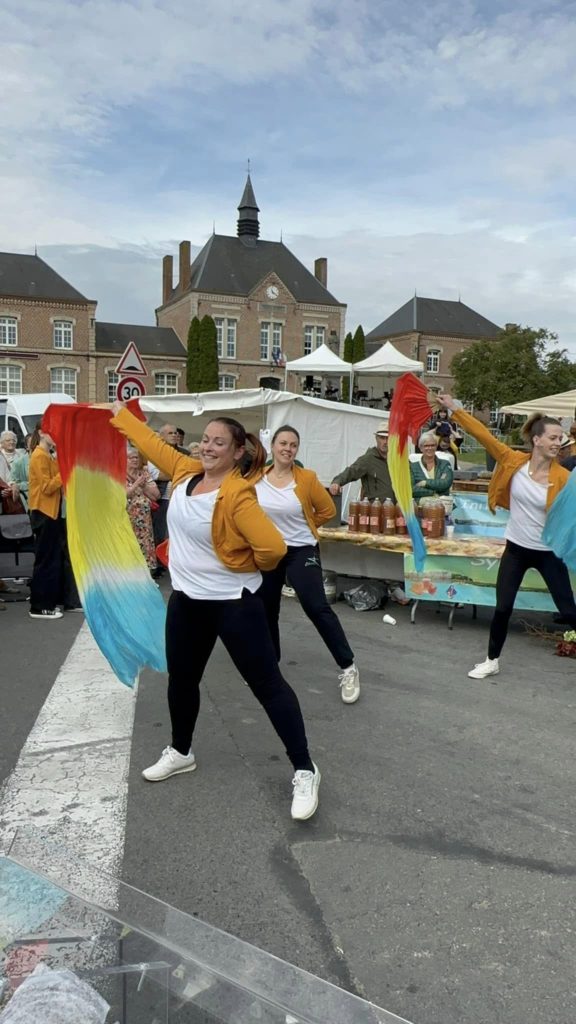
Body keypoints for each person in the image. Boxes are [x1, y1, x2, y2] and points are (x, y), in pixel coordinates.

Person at [109, 401, 321, 821]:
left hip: (234, 603)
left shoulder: (238, 493)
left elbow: (274, 549)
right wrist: (121, 415)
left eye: (218, 442)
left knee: (267, 685)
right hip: (187, 600)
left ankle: (304, 768)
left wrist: (239, 565)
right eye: (205, 439)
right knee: (182, 680)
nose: (207, 447)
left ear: (237, 451)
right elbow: (151, 443)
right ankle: (181, 750)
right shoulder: (187, 472)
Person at [438, 395, 576, 679]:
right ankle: (491, 660)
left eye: (560, 438)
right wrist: (456, 410)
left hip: (548, 552)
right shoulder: (512, 461)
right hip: (516, 550)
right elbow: (483, 435)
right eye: (552, 437)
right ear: (536, 440)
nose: (557, 443)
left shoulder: (563, 477)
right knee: (502, 607)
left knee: (569, 612)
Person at [255, 425, 360, 704]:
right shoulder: (257, 478)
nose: (287, 449)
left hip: (301, 549)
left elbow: (327, 510)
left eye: (293, 445)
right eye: (283, 443)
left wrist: (307, 525)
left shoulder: (306, 478)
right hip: (269, 551)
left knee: (316, 606)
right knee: (266, 609)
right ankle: (270, 667)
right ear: (273, 446)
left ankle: (348, 667)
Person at [27, 426, 81, 619]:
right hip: (44, 511)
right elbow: (47, 487)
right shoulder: (40, 455)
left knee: (52, 558)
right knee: (46, 560)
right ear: (42, 433)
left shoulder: (47, 455)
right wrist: (64, 470)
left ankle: (49, 602)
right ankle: (40, 606)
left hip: (51, 511)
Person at [329, 421, 396, 502]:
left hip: (395, 511)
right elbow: (351, 471)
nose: (385, 442)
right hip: (374, 510)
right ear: (376, 438)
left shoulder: (397, 461)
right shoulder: (368, 459)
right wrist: (337, 482)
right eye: (382, 438)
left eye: (388, 438)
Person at [126, 448, 160, 571]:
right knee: (129, 545)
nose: (135, 460)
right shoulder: (120, 474)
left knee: (145, 545)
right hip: (128, 518)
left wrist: (143, 485)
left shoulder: (144, 474)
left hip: (144, 520)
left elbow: (156, 495)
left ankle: (146, 576)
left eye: (137, 457)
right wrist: (136, 483)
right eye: (131, 458)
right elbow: (124, 494)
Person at [410, 431, 453, 499]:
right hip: (420, 505)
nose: (430, 448)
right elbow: (411, 489)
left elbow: (445, 483)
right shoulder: (413, 466)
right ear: (421, 448)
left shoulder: (445, 464)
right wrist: (433, 493)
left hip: (442, 505)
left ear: (436, 447)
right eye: (426, 446)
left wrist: (425, 483)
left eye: (432, 445)